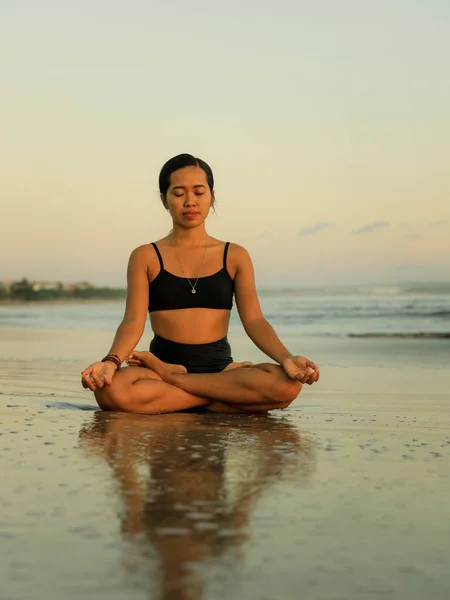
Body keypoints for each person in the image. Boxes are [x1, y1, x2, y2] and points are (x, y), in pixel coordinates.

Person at [81, 153, 320, 414]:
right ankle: (220, 400)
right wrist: (111, 362)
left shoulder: (234, 255)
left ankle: (178, 383)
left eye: (198, 192)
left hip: (218, 370)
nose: (190, 201)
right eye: (179, 192)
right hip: (159, 370)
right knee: (109, 391)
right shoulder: (146, 256)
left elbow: (254, 321)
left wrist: (286, 359)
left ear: (212, 196)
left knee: (287, 386)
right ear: (164, 200)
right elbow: (133, 322)